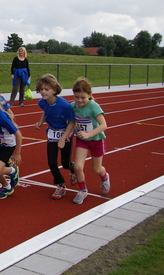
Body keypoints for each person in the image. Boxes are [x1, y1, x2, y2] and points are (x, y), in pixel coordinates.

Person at [63, 77, 110, 205]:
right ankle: (83, 190)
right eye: (77, 97)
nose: (79, 100)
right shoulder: (73, 106)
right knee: (77, 167)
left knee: (96, 168)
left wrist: (89, 134)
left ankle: (104, 177)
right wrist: (69, 133)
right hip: (82, 140)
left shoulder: (93, 107)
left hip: (96, 140)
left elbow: (103, 125)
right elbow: (72, 122)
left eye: (83, 97)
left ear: (89, 96)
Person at [34, 74, 77, 200]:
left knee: (65, 163)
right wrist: (41, 122)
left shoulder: (64, 105)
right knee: (51, 162)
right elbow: (45, 110)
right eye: (41, 89)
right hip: (52, 133)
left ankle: (73, 169)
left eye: (46, 89)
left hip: (66, 133)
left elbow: (72, 121)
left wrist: (63, 138)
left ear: (54, 90)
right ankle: (60, 185)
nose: (43, 92)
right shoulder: (41, 102)